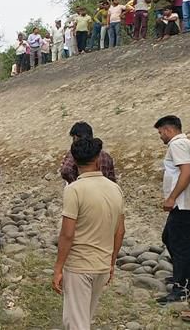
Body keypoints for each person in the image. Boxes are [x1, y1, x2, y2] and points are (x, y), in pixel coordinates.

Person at [51, 137, 125, 330]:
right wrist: (111, 262)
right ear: (98, 159)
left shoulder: (74, 190)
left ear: (74, 161)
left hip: (79, 266)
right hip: (102, 264)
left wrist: (58, 267)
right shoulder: (115, 189)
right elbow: (120, 231)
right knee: (83, 318)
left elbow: (67, 234)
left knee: (76, 322)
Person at [155, 115, 190, 303]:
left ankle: (182, 287)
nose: (161, 136)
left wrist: (171, 197)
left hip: (184, 202)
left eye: (160, 132)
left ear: (168, 130)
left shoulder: (177, 145)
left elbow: (186, 171)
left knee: (179, 243)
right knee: (169, 237)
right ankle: (187, 274)